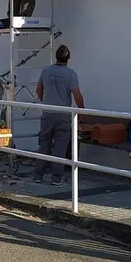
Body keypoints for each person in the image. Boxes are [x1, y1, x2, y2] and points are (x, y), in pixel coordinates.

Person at [33, 45, 85, 185]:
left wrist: (46, 102)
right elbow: (77, 96)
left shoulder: (46, 70)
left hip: (47, 113)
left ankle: (38, 176)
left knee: (44, 144)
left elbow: (38, 90)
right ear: (68, 58)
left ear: (56, 57)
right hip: (63, 115)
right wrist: (82, 110)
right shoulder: (71, 74)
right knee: (60, 148)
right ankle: (56, 178)